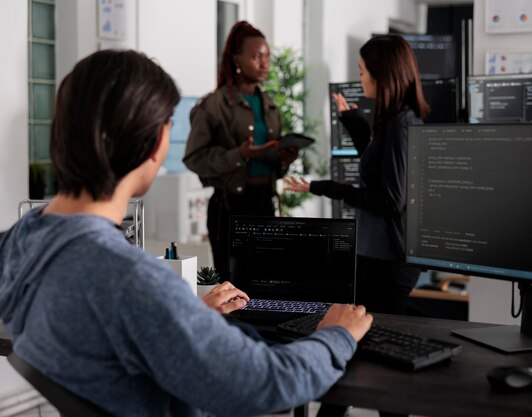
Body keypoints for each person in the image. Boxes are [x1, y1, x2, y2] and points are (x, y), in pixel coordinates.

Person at [0, 49, 373, 417]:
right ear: (154, 144)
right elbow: (267, 383)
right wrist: (337, 334)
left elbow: (98, 333)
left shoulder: (19, 241)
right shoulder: (131, 281)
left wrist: (184, 315)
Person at [285, 35, 429, 417]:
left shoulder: (401, 125)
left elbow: (388, 198)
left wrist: (326, 187)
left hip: (389, 261)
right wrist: (352, 120)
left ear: (382, 76)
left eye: (363, 71)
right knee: (356, 346)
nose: (359, 77)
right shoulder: (390, 122)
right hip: (373, 254)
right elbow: (374, 163)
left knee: (367, 350)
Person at [183, 21, 298, 281]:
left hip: (265, 204)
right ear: (236, 59)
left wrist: (283, 160)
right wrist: (240, 155)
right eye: (257, 57)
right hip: (230, 207)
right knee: (234, 290)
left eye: (267, 57)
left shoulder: (270, 106)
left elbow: (271, 163)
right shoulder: (214, 105)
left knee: (268, 284)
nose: (264, 63)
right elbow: (194, 158)